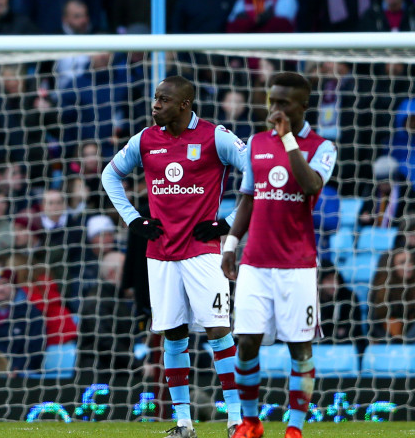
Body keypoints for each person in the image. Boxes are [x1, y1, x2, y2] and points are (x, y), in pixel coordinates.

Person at [102, 76, 249, 437]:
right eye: (155, 98)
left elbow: (257, 176)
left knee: (218, 331)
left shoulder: (216, 137)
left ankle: (235, 420)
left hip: (202, 252)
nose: (155, 105)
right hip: (161, 253)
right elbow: (110, 174)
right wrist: (133, 220)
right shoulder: (145, 140)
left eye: (163, 100)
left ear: (185, 105)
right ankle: (183, 422)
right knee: (172, 334)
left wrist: (226, 223)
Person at [221, 72, 337, 438]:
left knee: (300, 348)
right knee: (247, 342)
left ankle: (295, 428)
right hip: (256, 261)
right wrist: (230, 243)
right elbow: (248, 198)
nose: (276, 109)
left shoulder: (323, 147)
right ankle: (250, 423)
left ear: (303, 106)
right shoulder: (255, 143)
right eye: (273, 101)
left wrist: (288, 139)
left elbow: (310, 186)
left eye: (284, 103)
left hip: (298, 265)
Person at [369, 248, 415, 341]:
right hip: (386, 341)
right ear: (391, 266)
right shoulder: (379, 290)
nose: (408, 265)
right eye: (402, 262)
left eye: (411, 261)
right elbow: (374, 324)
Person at [358, 156, 411, 229]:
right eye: (380, 182)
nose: (383, 185)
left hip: (397, 232)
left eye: (386, 182)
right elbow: (363, 212)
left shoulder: (406, 191)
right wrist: (364, 217)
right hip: (374, 231)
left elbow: (409, 215)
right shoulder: (371, 190)